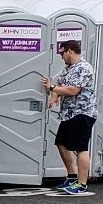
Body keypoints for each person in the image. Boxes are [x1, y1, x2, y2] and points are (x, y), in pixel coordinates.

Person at [41, 40, 97, 195]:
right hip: (68, 114)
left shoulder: (83, 68)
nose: (61, 56)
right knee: (61, 143)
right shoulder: (69, 69)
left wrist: (52, 87)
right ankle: (72, 176)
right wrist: (54, 95)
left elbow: (72, 90)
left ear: (70, 51)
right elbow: (61, 85)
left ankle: (82, 183)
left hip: (83, 113)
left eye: (62, 53)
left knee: (81, 148)